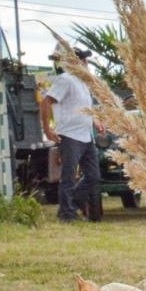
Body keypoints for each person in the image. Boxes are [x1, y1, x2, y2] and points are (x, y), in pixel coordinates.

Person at [39, 49, 101, 223]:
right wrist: (48, 129)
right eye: (83, 60)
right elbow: (46, 102)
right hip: (70, 135)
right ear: (75, 62)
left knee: (93, 177)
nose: (86, 63)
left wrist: (95, 121)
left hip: (86, 136)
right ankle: (67, 214)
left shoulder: (84, 83)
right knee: (68, 177)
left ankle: (70, 205)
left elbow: (84, 108)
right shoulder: (65, 80)